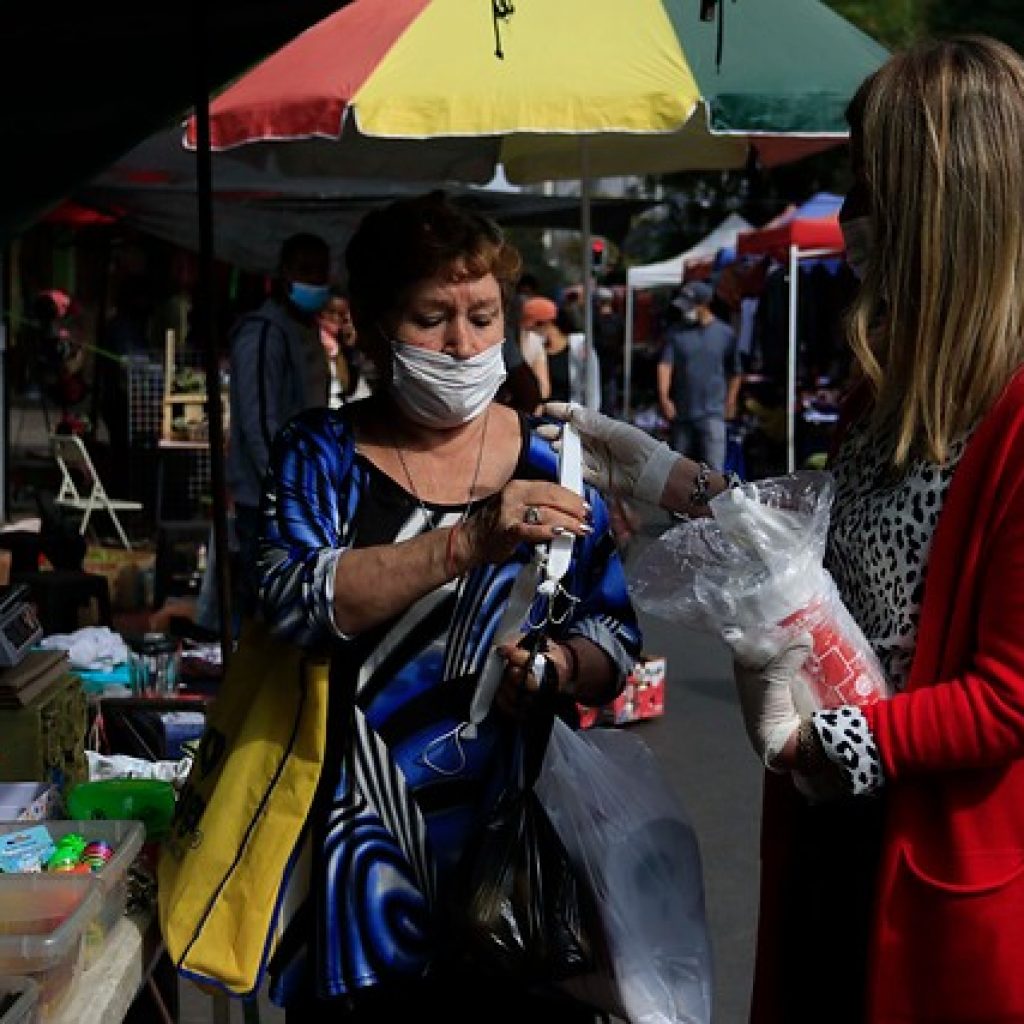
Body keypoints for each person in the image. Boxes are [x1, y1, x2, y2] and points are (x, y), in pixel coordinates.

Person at [544, 35, 1024, 1024]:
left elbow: (1007, 698)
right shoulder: (889, 386)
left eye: (871, 185)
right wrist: (684, 484)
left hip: (936, 869)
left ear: (942, 205)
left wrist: (823, 740)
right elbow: (826, 559)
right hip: (837, 842)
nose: (852, 214)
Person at [256, 191, 641, 1021]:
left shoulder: (554, 461)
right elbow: (290, 600)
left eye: (482, 316)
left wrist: (557, 666)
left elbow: (613, 639)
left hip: (519, 879)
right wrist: (465, 543)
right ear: (373, 326)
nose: (463, 345)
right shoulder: (321, 454)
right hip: (357, 874)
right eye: (432, 318)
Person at [226, 232, 330, 616]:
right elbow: (258, 422)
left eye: (321, 272)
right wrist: (283, 489)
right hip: (267, 497)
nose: (315, 280)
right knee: (266, 606)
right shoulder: (263, 333)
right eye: (306, 270)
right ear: (285, 273)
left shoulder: (306, 331)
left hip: (303, 494)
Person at [657, 280, 741, 471]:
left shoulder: (725, 334)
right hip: (682, 415)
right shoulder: (676, 334)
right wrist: (664, 397)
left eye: (690, 306)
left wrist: (731, 401)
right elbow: (665, 365)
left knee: (714, 471)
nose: (685, 311)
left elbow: (735, 372)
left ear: (704, 304)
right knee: (678, 472)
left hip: (713, 414)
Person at [522, 296, 600, 410]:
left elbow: (592, 391)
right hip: (540, 416)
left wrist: (589, 418)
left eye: (530, 329)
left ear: (546, 323)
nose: (529, 334)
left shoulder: (580, 347)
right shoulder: (534, 350)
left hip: (572, 415)